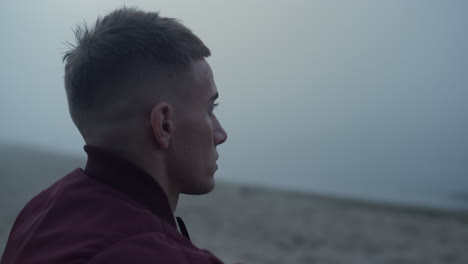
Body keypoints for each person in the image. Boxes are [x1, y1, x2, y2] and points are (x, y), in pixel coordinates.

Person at [0, 7, 232, 264]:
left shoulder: (38, 213)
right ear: (164, 125)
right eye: (209, 109)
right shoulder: (160, 255)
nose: (221, 134)